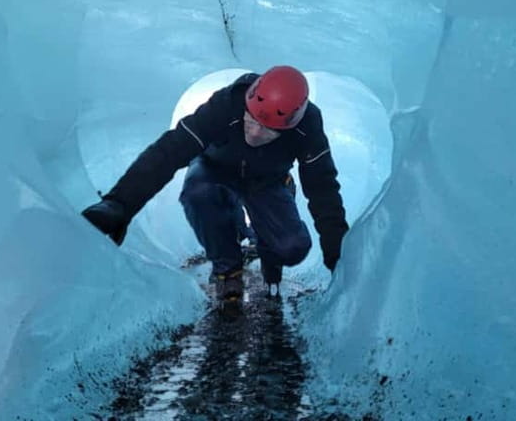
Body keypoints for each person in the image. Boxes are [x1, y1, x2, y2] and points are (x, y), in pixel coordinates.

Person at [81, 65, 349, 301]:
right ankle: (228, 267)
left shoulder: (307, 128)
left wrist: (337, 251)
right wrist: (119, 204)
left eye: (268, 131)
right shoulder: (227, 104)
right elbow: (169, 151)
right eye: (251, 120)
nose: (254, 133)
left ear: (291, 125)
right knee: (198, 193)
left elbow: (323, 188)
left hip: (266, 182)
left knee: (292, 247)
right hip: (214, 168)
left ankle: (264, 247)